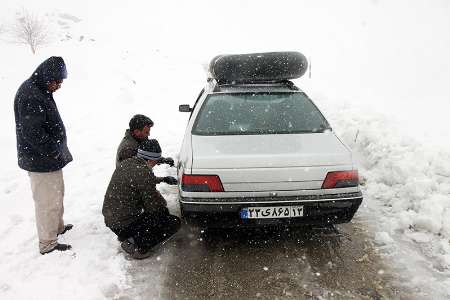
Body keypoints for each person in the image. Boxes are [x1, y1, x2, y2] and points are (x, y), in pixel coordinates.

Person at [14, 56, 73, 254]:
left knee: (57, 195)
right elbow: (32, 133)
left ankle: (57, 228)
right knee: (47, 201)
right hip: (40, 160)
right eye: (57, 81)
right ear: (48, 77)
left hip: (49, 159)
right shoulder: (31, 95)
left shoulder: (40, 89)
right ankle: (48, 242)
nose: (59, 86)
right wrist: (53, 150)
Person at [103, 139, 180, 259]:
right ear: (150, 159)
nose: (156, 163)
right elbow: (152, 207)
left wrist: (163, 179)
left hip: (113, 220)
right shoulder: (143, 172)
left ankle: (129, 235)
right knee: (172, 222)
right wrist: (164, 213)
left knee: (158, 215)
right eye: (156, 160)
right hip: (123, 223)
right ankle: (138, 245)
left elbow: (140, 180)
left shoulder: (128, 163)